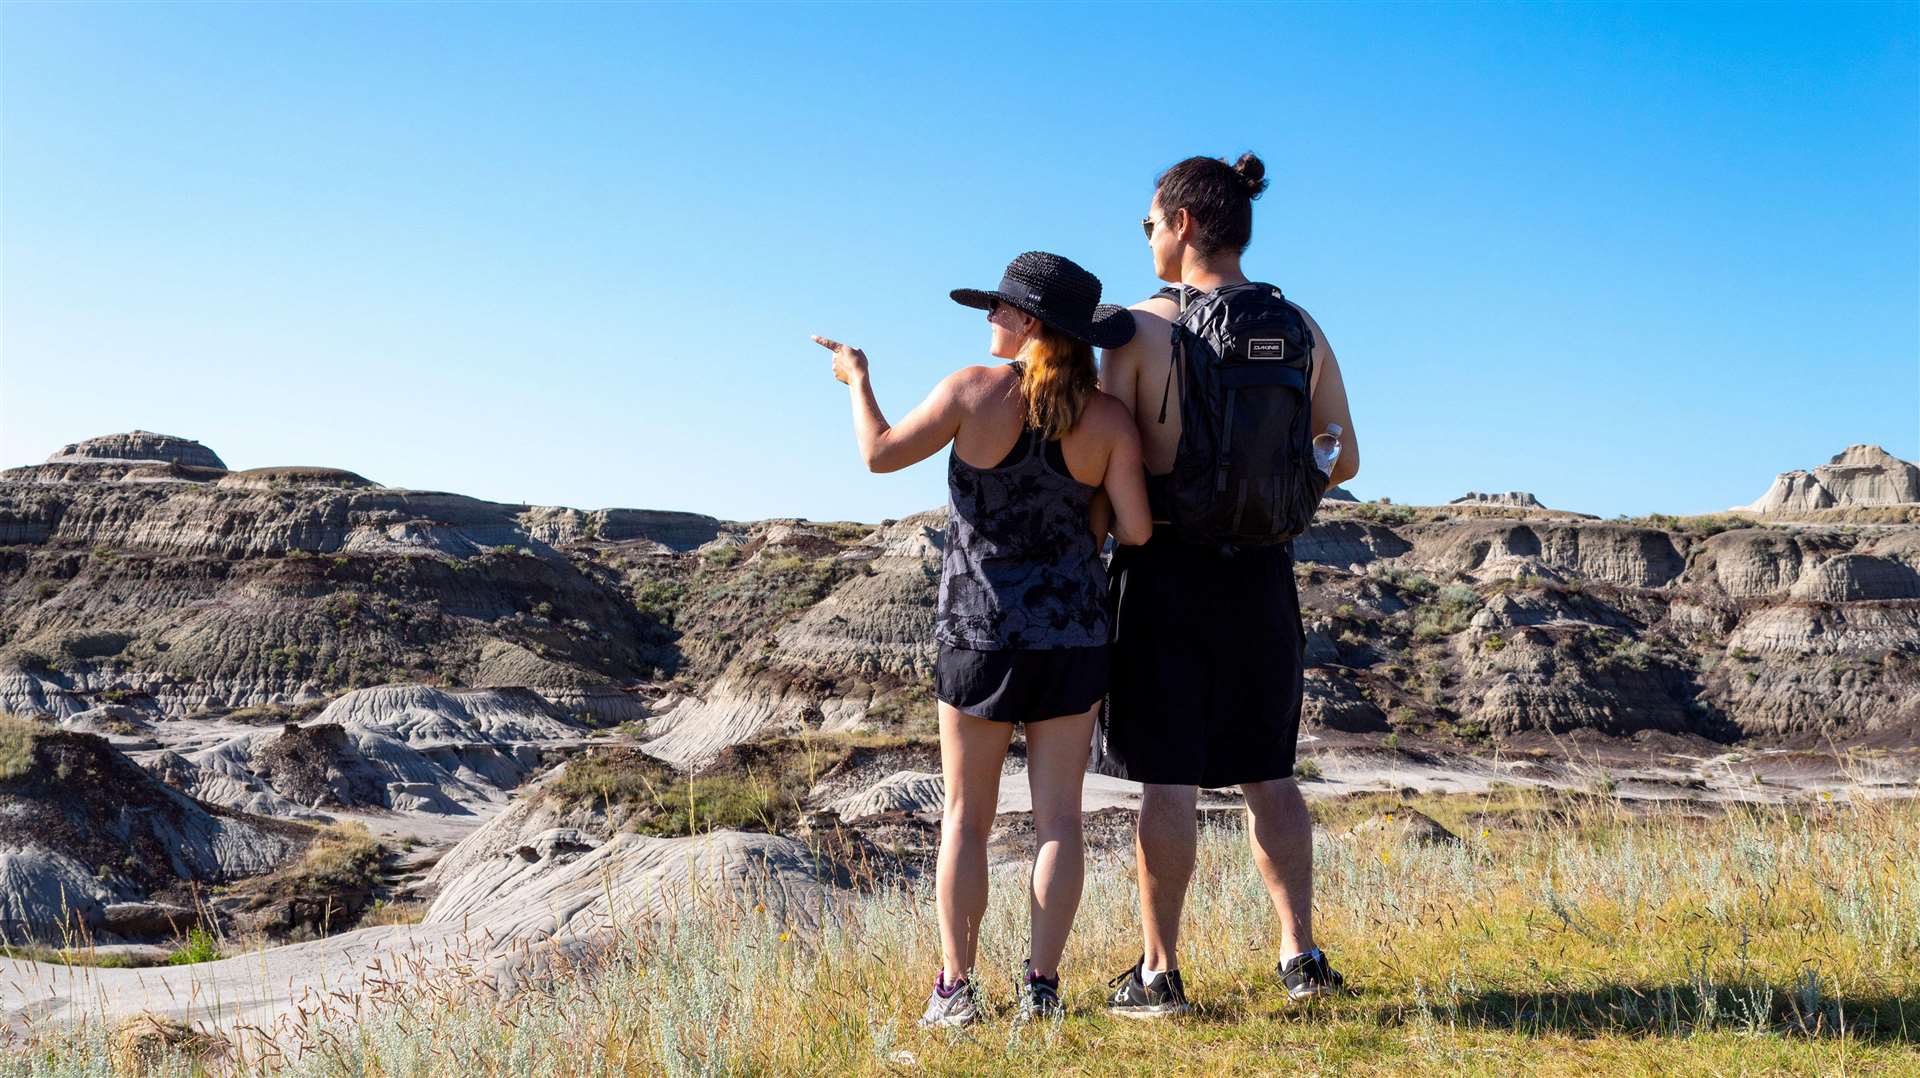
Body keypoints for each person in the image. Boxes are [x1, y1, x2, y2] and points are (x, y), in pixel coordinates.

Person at [813, 251, 1152, 1028]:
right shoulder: (1106, 420)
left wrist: (857, 379)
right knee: (1058, 820)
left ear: (1030, 322)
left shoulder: (971, 390)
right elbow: (1133, 528)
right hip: (1071, 639)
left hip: (978, 635)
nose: (990, 320)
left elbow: (879, 454)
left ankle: (956, 992)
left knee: (967, 817)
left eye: (999, 309)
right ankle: (1042, 988)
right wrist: (1086, 516)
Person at [1095, 153, 1361, 1017]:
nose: (1145, 238)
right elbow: (1343, 456)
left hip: (1165, 570)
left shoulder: (1135, 332)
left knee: (1166, 780)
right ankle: (1301, 957)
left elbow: (1105, 467)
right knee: (1267, 774)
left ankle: (1160, 972)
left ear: (1179, 223)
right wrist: (1275, 497)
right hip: (1261, 573)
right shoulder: (1298, 325)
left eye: (1147, 223)